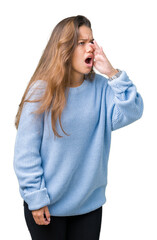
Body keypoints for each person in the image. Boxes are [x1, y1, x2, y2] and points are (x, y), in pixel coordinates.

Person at [13, 15, 144, 240]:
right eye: (81, 43)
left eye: (91, 41)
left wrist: (112, 73)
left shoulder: (102, 88)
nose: (90, 48)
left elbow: (133, 111)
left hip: (88, 207)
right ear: (64, 49)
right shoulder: (42, 91)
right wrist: (36, 198)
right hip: (47, 207)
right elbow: (26, 153)